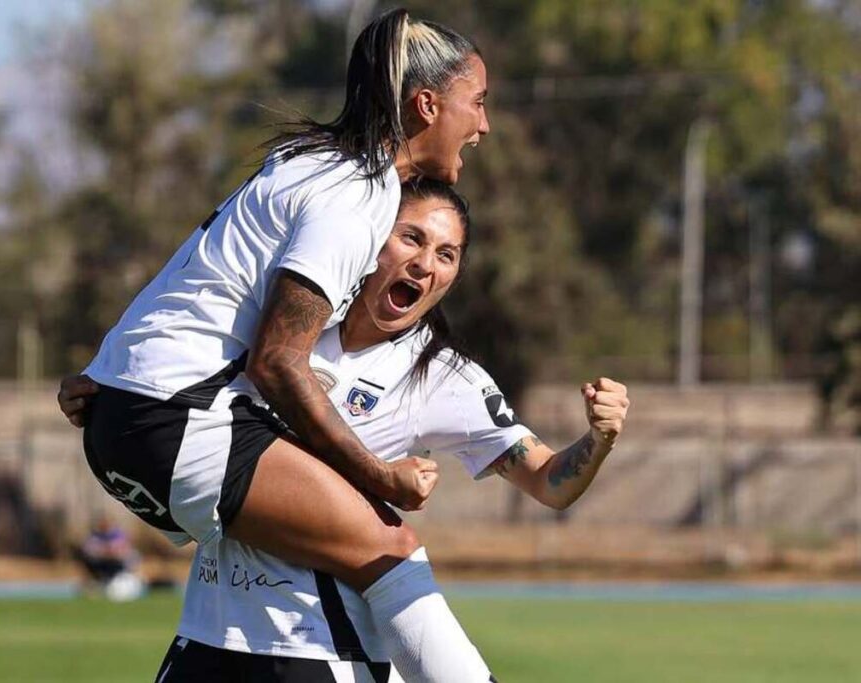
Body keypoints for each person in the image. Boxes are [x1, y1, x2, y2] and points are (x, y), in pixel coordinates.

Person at [68, 8, 496, 681]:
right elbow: (277, 360)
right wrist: (378, 473)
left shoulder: (311, 162)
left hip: (133, 414)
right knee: (388, 549)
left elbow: (199, 275)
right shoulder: (359, 192)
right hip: (175, 418)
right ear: (426, 104)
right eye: (478, 102)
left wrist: (112, 371)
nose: (483, 124)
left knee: (306, 549)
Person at [62, 180, 630, 681]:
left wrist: (599, 438)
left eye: (447, 254)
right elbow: (175, 387)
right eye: (410, 238)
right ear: (367, 237)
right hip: (209, 631)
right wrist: (106, 390)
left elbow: (551, 481)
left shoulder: (442, 376)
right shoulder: (275, 326)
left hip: (320, 651)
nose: (426, 263)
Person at [77, 515, 140, 586]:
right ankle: (97, 580)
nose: (104, 525)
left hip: (117, 561)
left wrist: (112, 552)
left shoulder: (118, 534)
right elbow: (89, 550)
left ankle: (125, 578)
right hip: (101, 561)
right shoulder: (94, 535)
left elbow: (123, 549)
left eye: (107, 523)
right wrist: (104, 552)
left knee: (133, 556)